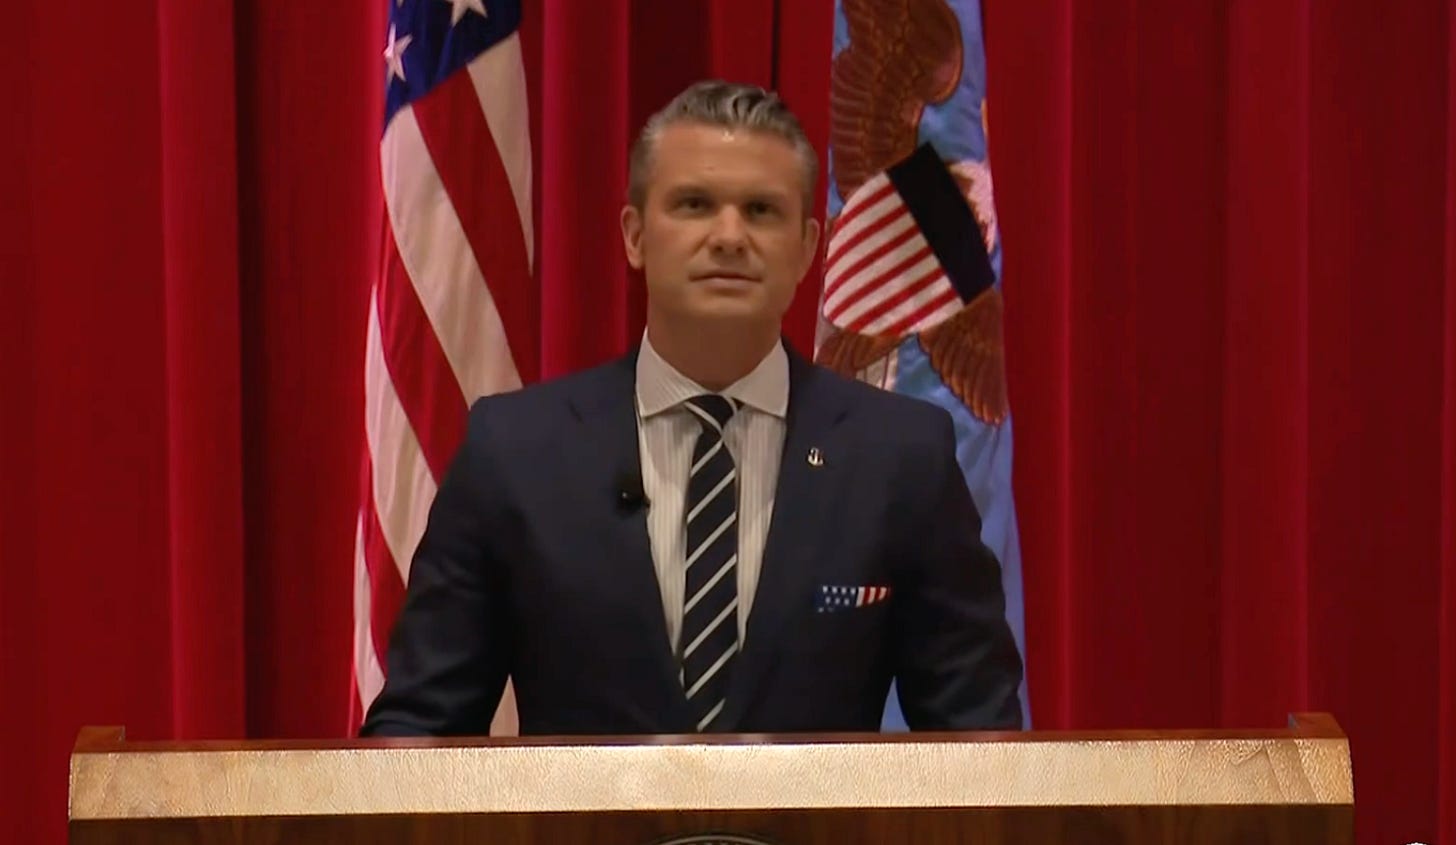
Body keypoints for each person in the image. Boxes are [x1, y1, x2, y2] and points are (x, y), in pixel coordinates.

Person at [360, 80, 1023, 737]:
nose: (729, 236)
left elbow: (979, 739)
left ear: (807, 248)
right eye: (695, 204)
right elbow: (417, 732)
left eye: (761, 210)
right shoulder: (515, 452)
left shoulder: (901, 458)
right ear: (635, 235)